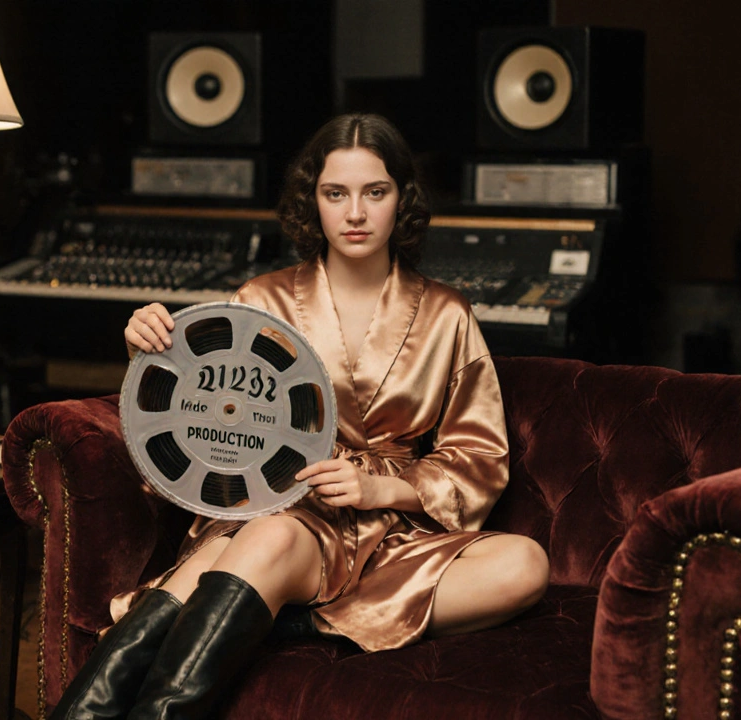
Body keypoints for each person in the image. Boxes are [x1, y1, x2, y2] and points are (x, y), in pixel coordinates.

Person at [51, 113, 551, 720]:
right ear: (312, 201)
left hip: (387, 532)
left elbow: (479, 456)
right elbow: (203, 419)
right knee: (274, 533)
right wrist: (152, 355)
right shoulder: (261, 301)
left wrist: (379, 487)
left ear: (404, 201)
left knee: (525, 566)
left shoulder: (448, 314)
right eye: (335, 194)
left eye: (376, 192)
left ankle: (281, 613)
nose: (356, 213)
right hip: (280, 512)